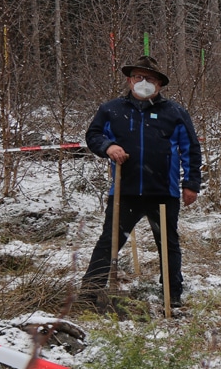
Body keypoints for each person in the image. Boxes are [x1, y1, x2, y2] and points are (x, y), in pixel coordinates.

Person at [80, 55, 201, 309]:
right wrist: (108, 146)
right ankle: (90, 291)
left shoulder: (175, 113)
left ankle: (172, 292)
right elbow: (93, 134)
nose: (143, 82)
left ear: (159, 85)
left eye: (150, 79)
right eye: (138, 77)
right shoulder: (111, 110)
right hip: (125, 192)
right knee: (109, 242)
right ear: (129, 80)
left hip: (163, 193)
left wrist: (191, 183)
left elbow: (191, 148)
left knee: (167, 244)